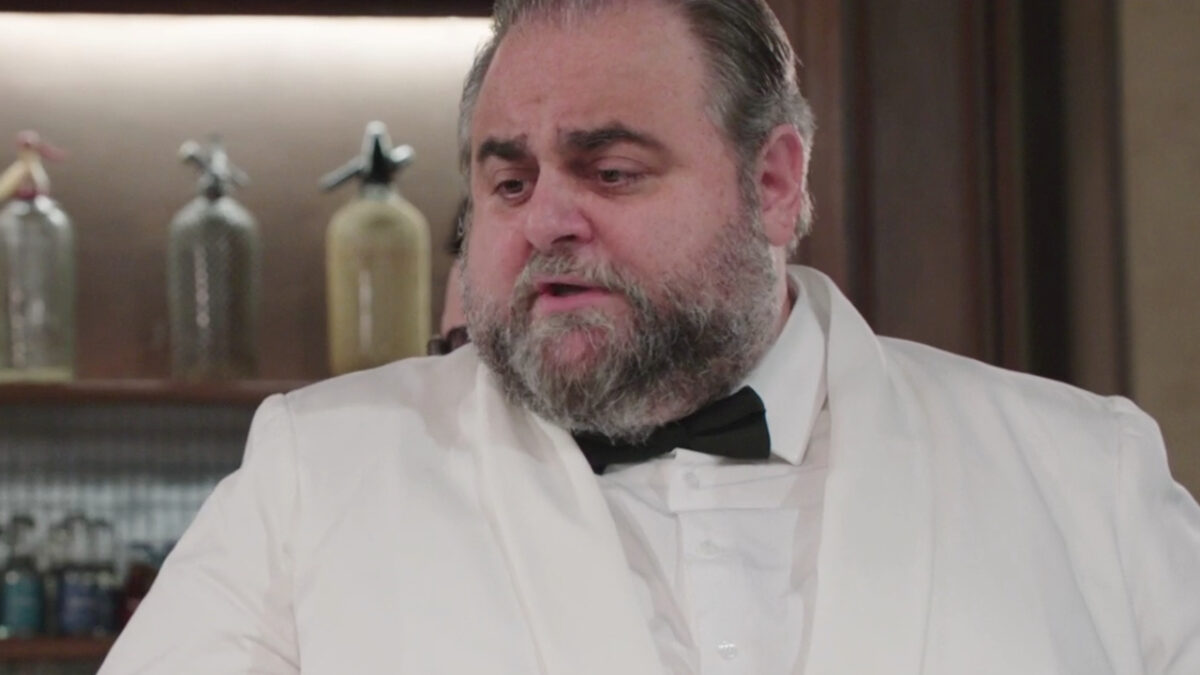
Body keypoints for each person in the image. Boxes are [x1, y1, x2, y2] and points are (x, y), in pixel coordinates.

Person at [100, 0, 1200, 673]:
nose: (546, 219)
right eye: (509, 180)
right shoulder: (315, 472)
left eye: (612, 170)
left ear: (774, 185)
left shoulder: (1084, 473)